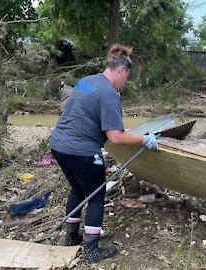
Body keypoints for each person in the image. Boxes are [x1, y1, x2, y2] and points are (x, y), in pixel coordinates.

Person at [49, 44, 158, 263]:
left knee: (78, 189)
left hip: (59, 144)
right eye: (126, 77)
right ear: (121, 70)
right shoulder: (109, 93)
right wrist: (145, 138)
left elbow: (82, 111)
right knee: (96, 196)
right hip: (81, 151)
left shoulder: (86, 82)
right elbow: (116, 137)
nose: (125, 82)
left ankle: (71, 237)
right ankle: (91, 249)